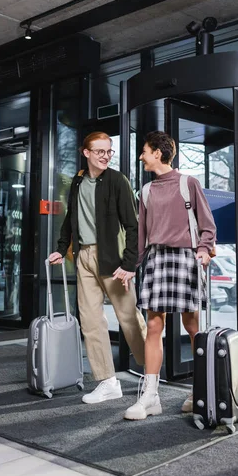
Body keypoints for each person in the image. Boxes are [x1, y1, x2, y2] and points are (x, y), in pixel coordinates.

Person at [124, 131, 216, 420]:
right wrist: (131, 266)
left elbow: (207, 225)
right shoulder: (146, 191)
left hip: (186, 258)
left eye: (145, 151)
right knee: (153, 325)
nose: (141, 156)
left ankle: (199, 391)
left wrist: (203, 250)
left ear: (158, 154)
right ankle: (150, 396)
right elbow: (140, 237)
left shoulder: (189, 183)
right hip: (157, 259)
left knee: (192, 326)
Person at [49, 131, 146, 404]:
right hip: (84, 258)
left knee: (128, 318)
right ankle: (107, 381)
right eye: (100, 151)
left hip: (113, 261)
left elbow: (133, 226)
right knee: (91, 322)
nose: (105, 156)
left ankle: (151, 371)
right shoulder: (78, 182)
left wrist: (129, 264)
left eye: (109, 151)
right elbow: (71, 217)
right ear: (86, 153)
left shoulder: (117, 181)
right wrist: (60, 248)